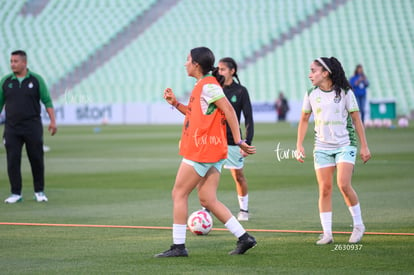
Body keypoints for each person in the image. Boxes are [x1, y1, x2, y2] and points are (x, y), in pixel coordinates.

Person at [155, 47, 257, 258]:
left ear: (196, 65)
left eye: (188, 60)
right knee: (207, 199)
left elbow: (228, 109)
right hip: (213, 151)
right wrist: (175, 104)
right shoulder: (204, 86)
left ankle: (178, 246)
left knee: (179, 194)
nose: (185, 63)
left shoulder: (208, 85)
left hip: (202, 150)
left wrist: (238, 140)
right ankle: (244, 237)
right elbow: (195, 115)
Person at [296, 57, 371, 245]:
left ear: (325, 73)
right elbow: (304, 119)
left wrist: (364, 145)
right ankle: (327, 233)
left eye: (313, 70)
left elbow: (356, 119)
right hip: (322, 147)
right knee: (325, 189)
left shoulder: (345, 92)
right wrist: (299, 145)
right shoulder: (311, 93)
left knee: (343, 184)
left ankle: (358, 225)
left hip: (345, 143)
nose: (309, 74)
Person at [0, 50, 57, 203]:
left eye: (15, 61)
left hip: (32, 127)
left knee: (36, 159)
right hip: (12, 128)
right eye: (11, 61)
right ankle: (15, 193)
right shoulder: (5, 81)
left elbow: (47, 101)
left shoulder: (37, 80)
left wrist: (53, 121)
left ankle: (39, 191)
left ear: (24, 63)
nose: (12, 64)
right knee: (12, 160)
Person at [217, 57, 254, 221]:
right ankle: (206, 209)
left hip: (233, 141)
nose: (220, 72)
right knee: (208, 174)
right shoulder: (214, 88)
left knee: (238, 176)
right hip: (214, 140)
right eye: (218, 69)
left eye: (223, 69)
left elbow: (248, 118)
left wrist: (247, 142)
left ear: (232, 71)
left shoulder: (241, 91)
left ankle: (244, 210)